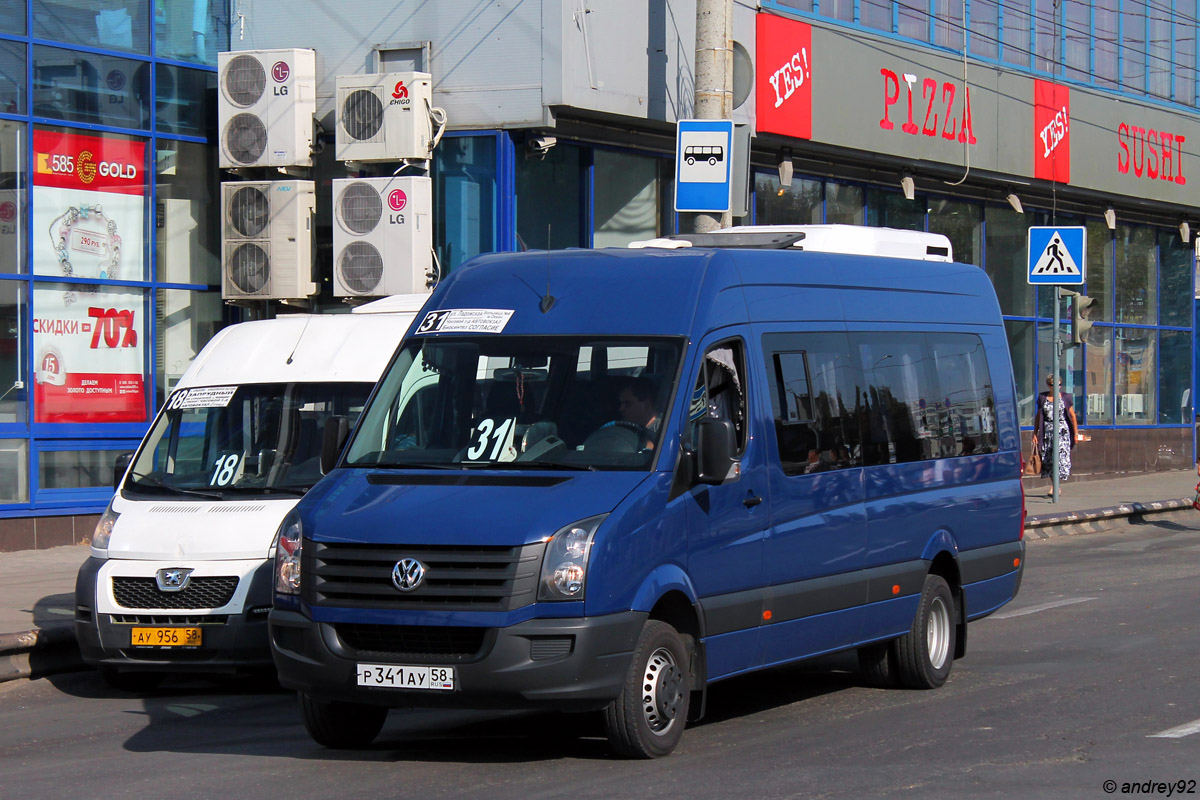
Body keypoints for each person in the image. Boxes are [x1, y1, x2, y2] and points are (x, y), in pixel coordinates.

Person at [1032, 374, 1078, 485]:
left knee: (1059, 458)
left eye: (1059, 385)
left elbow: (1072, 415)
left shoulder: (1065, 397)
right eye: (1053, 385)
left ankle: (1056, 487)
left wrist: (1076, 433)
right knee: (1049, 459)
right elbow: (1039, 416)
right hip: (1047, 432)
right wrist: (1035, 433)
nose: (1056, 387)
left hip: (1062, 432)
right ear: (1048, 385)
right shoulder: (1043, 398)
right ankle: (1055, 486)